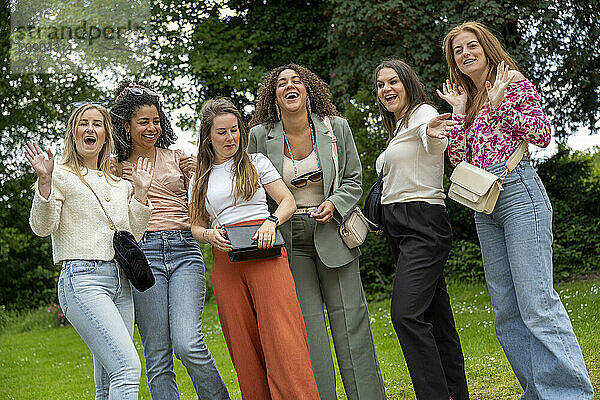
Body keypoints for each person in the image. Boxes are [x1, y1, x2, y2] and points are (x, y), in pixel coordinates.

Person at [439, 21, 594, 399]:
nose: (465, 54)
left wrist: (500, 106)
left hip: (518, 192)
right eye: (457, 50)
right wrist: (460, 113)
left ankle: (570, 394)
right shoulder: (467, 99)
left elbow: (541, 135)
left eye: (471, 45)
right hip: (483, 203)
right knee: (507, 312)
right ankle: (539, 392)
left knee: (537, 304)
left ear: (486, 47)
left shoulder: (513, 82)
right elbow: (460, 159)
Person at [248, 64, 386, 400]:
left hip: (334, 232)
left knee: (351, 321)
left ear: (309, 90)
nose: (290, 86)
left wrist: (336, 203)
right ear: (274, 95)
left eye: (297, 81)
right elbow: (252, 188)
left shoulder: (336, 128)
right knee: (308, 329)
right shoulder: (258, 136)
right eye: (282, 83)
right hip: (289, 240)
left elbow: (354, 178)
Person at [189, 97, 319, 400]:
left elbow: (287, 201)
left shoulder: (256, 162)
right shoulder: (200, 176)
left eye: (234, 130)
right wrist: (209, 235)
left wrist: (271, 222)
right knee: (243, 345)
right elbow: (195, 225)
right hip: (227, 260)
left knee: (284, 340)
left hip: (267, 252)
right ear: (208, 135)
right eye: (221, 132)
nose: (230, 138)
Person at [110, 81, 230, 400]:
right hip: (143, 253)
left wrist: (196, 173)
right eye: (143, 122)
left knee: (188, 342)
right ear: (126, 125)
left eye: (156, 121)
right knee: (158, 355)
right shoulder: (114, 166)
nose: (152, 128)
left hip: (183, 250)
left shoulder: (178, 157)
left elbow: (204, 201)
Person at [27, 103, 154, 400]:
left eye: (97, 124)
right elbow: (42, 227)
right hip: (83, 281)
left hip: (121, 285)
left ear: (106, 135)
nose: (90, 129)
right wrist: (44, 182)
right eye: (83, 123)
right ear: (73, 133)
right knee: (127, 369)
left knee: (110, 381)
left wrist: (141, 193)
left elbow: (132, 237)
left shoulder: (120, 185)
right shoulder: (59, 175)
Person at [373, 59, 469, 400]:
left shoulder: (423, 113)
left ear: (408, 83)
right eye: (381, 84)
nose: (386, 89)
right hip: (399, 227)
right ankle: (455, 393)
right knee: (436, 316)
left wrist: (432, 132)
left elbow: (435, 138)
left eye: (393, 81)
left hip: (422, 223)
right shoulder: (398, 127)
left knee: (405, 314)